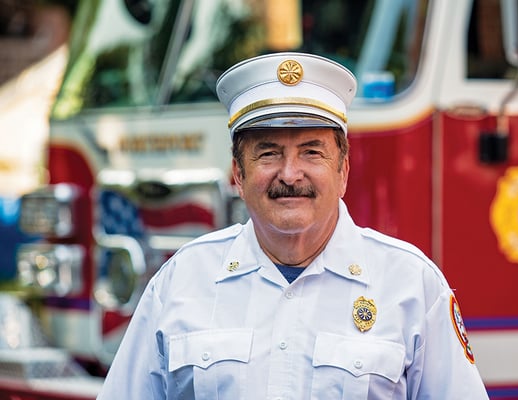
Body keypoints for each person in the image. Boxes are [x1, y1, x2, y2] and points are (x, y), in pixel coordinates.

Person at [97, 52, 489, 399]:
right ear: (238, 174)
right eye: (268, 153)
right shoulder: (180, 282)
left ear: (343, 171)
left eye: (311, 152)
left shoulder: (412, 286)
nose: (290, 173)